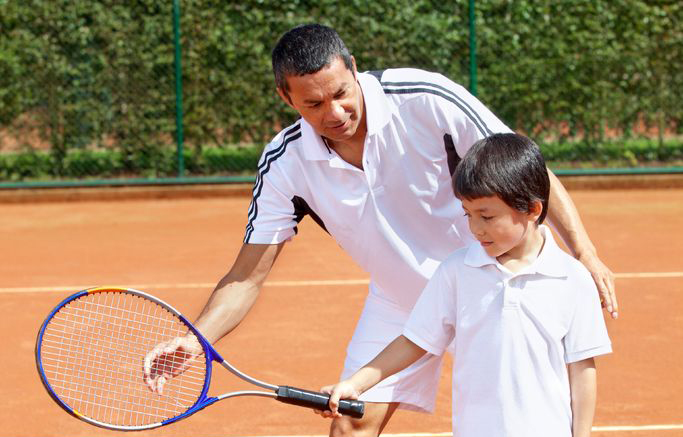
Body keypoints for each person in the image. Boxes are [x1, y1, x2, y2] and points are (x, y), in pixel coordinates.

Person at [143, 24, 617, 437]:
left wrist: (585, 251)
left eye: (341, 92)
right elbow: (247, 277)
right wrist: (196, 338)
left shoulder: (425, 98)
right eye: (313, 103)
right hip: (400, 299)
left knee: (535, 414)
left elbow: (527, 169)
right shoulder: (285, 164)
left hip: (492, 278)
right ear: (285, 98)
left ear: (353, 66)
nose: (334, 113)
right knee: (349, 421)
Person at [319, 133, 612, 437]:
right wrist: (355, 384)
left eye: (486, 216)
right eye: (468, 215)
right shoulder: (456, 271)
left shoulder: (572, 278)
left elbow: (581, 370)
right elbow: (414, 341)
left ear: (533, 210)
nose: (475, 229)